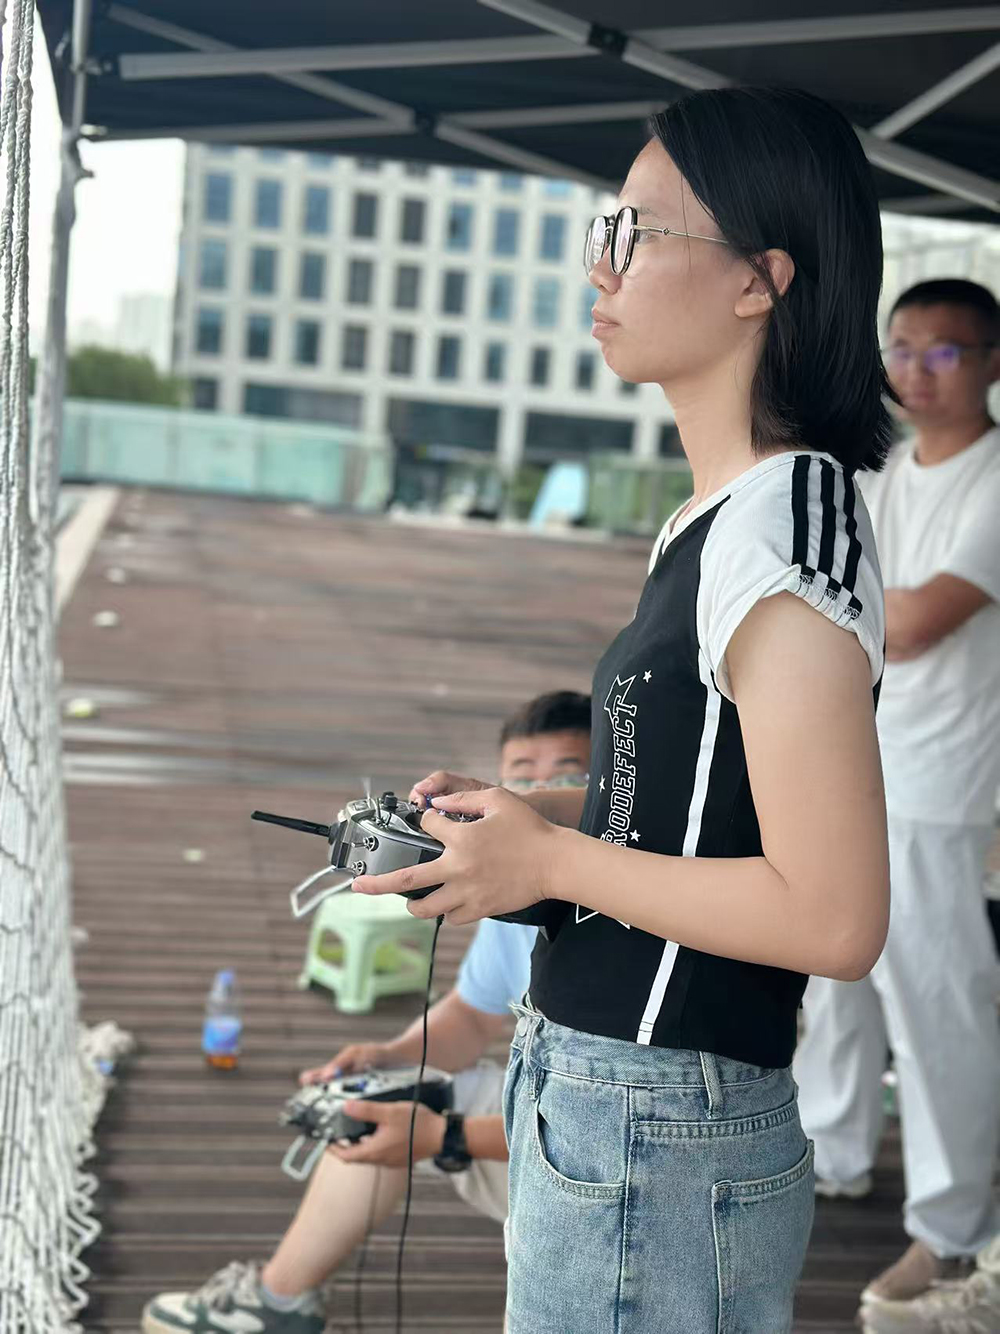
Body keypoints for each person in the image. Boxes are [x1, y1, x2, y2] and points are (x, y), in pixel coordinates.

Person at [355, 86, 891, 1333]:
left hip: (661, 1113)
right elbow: (684, 816)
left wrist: (549, 858)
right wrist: (523, 823)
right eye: (608, 231)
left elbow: (835, 913)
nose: (600, 266)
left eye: (636, 233)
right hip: (599, 1092)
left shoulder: (784, 530)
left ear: (759, 280)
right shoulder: (718, 516)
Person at [140, 690, 591, 1334]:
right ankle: (277, 1305)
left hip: (603, 1173)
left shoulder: (622, 906)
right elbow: (470, 1016)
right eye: (522, 778)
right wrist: (388, 1057)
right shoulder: (511, 891)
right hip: (550, 1119)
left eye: (569, 775)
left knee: (397, 1120)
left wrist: (445, 1135)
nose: (540, 792)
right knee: (367, 1100)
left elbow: (607, 1126)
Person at [793, 278, 1000, 1324]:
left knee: (933, 1000)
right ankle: (829, 1154)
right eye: (902, 348)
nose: (917, 370)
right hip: (854, 754)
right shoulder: (879, 471)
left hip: (939, 772)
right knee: (836, 971)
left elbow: (913, 621)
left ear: (991, 363)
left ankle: (950, 1225)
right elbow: (848, 599)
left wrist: (835, 603)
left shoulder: (995, 478)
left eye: (944, 351)